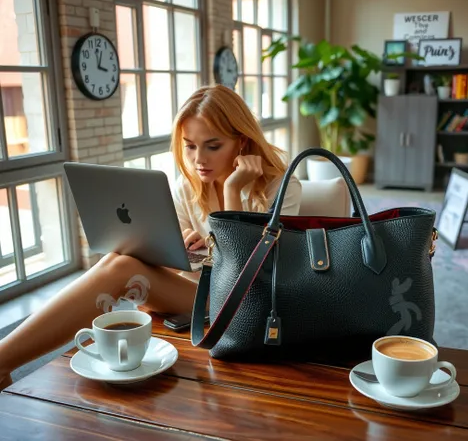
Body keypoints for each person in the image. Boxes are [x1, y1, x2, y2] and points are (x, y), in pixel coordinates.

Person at [0, 85, 302, 390]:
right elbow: (169, 272)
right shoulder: (188, 189)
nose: (199, 159)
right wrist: (179, 249)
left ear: (242, 141)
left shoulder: (282, 187)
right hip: (196, 297)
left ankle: (1, 360)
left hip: (246, 304)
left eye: (212, 146)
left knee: (121, 268)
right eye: (190, 146)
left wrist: (232, 190)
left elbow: (249, 279)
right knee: (118, 260)